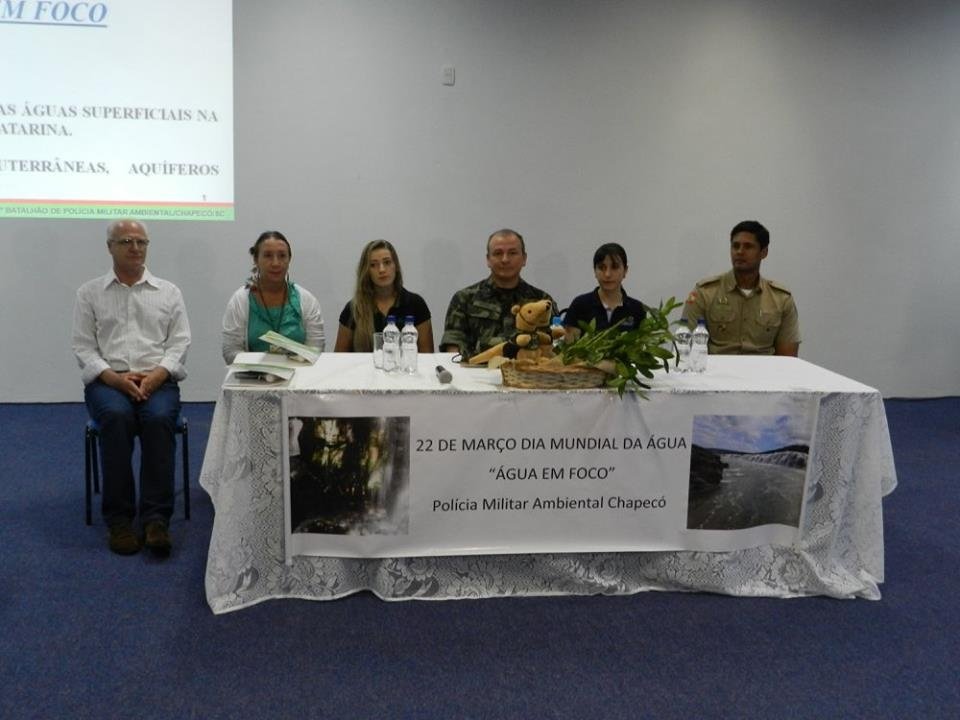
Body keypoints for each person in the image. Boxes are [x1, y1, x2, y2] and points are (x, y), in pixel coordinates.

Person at [71, 220, 191, 557]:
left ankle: (156, 519)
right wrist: (114, 379)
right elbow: (83, 347)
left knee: (159, 419)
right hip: (109, 381)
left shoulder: (168, 292)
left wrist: (156, 376)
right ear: (109, 247)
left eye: (141, 242)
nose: (135, 248)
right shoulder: (89, 293)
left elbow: (180, 343)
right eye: (126, 241)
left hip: (158, 380)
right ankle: (120, 520)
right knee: (116, 418)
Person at [683, 220, 800, 355]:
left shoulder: (781, 299)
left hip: (763, 367)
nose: (739, 252)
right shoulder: (705, 293)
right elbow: (685, 346)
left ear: (764, 252)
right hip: (717, 367)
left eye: (748, 247)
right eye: (735, 246)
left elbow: (787, 357)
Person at [440, 228, 556, 357]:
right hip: (475, 367)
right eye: (498, 253)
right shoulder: (465, 298)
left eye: (512, 253)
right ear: (488, 260)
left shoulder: (542, 301)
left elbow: (553, 342)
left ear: (524, 258)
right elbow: (453, 344)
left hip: (527, 367)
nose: (505, 259)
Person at [221, 231, 325, 363]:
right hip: (252, 375)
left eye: (282, 256)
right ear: (256, 260)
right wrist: (261, 367)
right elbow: (230, 351)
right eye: (268, 256)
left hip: (300, 374)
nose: (276, 263)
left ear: (289, 260)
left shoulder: (307, 300)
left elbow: (316, 349)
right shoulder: (240, 301)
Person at [334, 240, 433, 352]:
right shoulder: (354, 309)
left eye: (387, 262)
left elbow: (427, 356)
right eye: (373, 265)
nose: (381, 270)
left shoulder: (416, 304)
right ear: (366, 271)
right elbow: (339, 357)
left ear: (396, 266)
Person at [563, 242, 647, 341]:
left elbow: (640, 345)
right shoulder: (580, 305)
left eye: (614, 267)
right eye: (601, 267)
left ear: (625, 270)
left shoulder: (637, 309)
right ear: (595, 271)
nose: (607, 274)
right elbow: (570, 347)